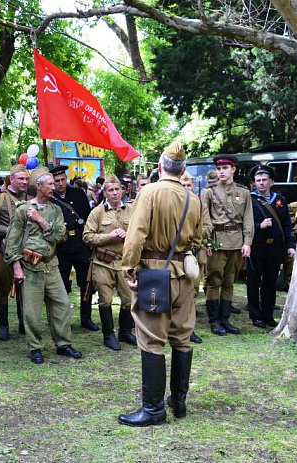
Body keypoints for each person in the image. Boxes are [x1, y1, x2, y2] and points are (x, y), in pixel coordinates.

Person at [118, 141, 202, 427]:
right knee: (182, 337)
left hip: (155, 274)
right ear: (183, 170)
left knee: (152, 340)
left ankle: (154, 410)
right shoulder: (195, 199)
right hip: (185, 276)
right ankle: (178, 402)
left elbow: (136, 236)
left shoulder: (150, 192)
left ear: (159, 167)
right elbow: (199, 240)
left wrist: (129, 271)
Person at [4, 166, 82, 364]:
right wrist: (16, 267)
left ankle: (63, 344)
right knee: (31, 311)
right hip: (30, 268)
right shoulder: (22, 210)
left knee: (62, 305)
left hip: (51, 265)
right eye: (49, 184)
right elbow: (12, 242)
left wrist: (40, 220)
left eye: (54, 184)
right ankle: (35, 347)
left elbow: (61, 235)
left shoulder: (55, 210)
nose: (54, 187)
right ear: (38, 186)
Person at [82, 174, 136, 351]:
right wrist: (108, 237)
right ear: (105, 192)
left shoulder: (131, 210)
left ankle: (125, 332)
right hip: (103, 262)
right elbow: (87, 237)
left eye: (117, 189)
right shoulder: (97, 212)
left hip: (125, 262)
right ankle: (108, 334)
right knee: (105, 300)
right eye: (110, 190)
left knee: (128, 299)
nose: (114, 193)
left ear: (123, 190)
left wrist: (129, 236)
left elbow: (141, 232)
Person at [202, 154, 253, 335]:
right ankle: (214, 320)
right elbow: (204, 220)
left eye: (225, 168)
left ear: (233, 170)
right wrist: (206, 241)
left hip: (237, 243)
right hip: (217, 242)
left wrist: (247, 243)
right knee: (214, 280)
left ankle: (225, 319)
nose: (221, 171)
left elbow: (248, 220)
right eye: (219, 168)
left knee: (230, 281)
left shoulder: (244, 192)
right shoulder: (209, 192)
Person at [246, 164, 296, 328]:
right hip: (256, 246)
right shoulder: (250, 200)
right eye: (258, 180)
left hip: (274, 247)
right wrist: (260, 225)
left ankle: (268, 315)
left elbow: (287, 225)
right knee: (253, 281)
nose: (261, 183)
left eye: (264, 180)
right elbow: (242, 223)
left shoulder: (280, 200)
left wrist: (290, 245)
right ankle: (255, 315)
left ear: (271, 182)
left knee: (270, 281)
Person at [0, 164, 29, 341]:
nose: (25, 182)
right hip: (2, 250)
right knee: (2, 288)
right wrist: (7, 230)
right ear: (11, 179)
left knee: (24, 288)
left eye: (26, 179)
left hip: (24, 251)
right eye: (21, 179)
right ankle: (4, 325)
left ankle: (23, 323)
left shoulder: (29, 197)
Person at [50, 165, 98, 331]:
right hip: (62, 247)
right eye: (57, 181)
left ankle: (86, 318)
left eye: (63, 179)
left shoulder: (78, 194)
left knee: (86, 283)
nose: (60, 183)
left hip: (80, 244)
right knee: (62, 285)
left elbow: (87, 217)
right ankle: (63, 321)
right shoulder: (50, 198)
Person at [179, 172, 210, 344]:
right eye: (182, 185)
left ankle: (188, 330)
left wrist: (192, 232)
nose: (186, 189)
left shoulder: (199, 204)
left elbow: (208, 227)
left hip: (192, 254)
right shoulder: (172, 203)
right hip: (173, 256)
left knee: (192, 292)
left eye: (188, 185)